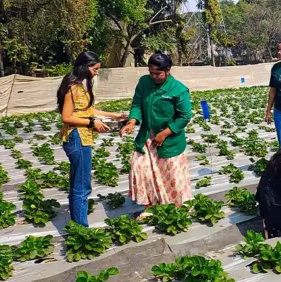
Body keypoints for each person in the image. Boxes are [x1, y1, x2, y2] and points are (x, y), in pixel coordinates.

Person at [57, 51, 127, 227]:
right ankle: (81, 229)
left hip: (82, 138)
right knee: (82, 186)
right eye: (95, 69)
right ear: (84, 67)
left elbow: (88, 110)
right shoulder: (73, 88)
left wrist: (114, 115)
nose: (96, 72)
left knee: (78, 183)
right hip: (76, 138)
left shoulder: (81, 86)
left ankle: (77, 223)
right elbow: (66, 117)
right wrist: (91, 123)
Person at [119, 51, 192, 213]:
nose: (154, 77)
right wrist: (132, 121)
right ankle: (149, 205)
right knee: (142, 170)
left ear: (167, 71)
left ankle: (177, 208)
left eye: (158, 73)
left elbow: (185, 116)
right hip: (147, 136)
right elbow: (137, 104)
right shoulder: (144, 83)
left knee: (171, 175)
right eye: (151, 73)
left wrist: (165, 133)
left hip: (169, 139)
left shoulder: (178, 90)